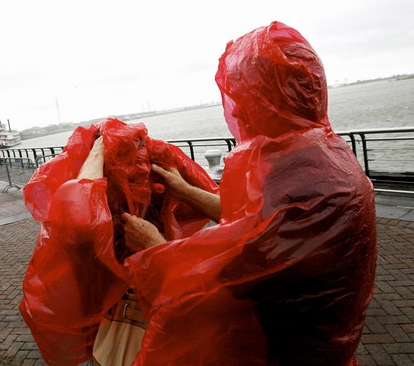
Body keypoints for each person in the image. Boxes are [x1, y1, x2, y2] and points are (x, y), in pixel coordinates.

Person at [119, 21, 377, 365]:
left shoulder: (303, 184)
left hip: (285, 352)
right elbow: (256, 229)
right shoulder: (325, 155)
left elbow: (214, 291)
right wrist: (184, 189)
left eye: (244, 97)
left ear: (273, 100)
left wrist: (153, 248)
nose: (236, 110)